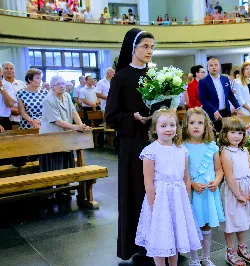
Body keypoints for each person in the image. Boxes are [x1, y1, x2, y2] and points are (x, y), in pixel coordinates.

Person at [105, 28, 154, 262]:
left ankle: (158, 241)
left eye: (152, 47)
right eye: (145, 46)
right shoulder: (121, 77)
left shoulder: (155, 76)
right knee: (136, 193)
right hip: (132, 143)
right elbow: (111, 116)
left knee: (156, 193)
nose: (149, 51)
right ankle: (136, 246)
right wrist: (133, 117)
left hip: (155, 141)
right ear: (133, 48)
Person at [135, 108, 202, 266]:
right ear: (154, 129)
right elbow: (148, 182)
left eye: (172, 125)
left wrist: (187, 200)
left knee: (175, 237)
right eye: (163, 126)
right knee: (161, 237)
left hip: (178, 199)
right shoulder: (150, 152)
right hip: (160, 201)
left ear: (177, 128)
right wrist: (153, 205)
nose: (168, 129)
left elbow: (186, 178)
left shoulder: (182, 150)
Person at [182, 108, 224, 266]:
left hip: (208, 192)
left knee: (206, 224)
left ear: (206, 126)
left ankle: (206, 257)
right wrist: (192, 184)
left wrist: (217, 181)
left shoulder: (212, 146)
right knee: (193, 224)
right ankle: (193, 259)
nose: (196, 126)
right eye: (192, 123)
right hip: (193, 192)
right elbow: (182, 173)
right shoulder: (183, 147)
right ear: (186, 125)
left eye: (200, 123)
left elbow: (219, 169)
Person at [219, 117, 250, 266]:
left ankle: (242, 248)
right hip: (233, 190)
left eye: (240, 133)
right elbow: (229, 176)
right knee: (232, 221)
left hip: (246, 187)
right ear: (225, 134)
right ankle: (230, 251)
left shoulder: (244, 151)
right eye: (233, 132)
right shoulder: (225, 151)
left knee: (242, 221)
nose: (237, 136)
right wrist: (238, 195)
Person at [39, 75, 90, 180]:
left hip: (64, 134)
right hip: (51, 135)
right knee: (54, 163)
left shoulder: (66, 95)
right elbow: (57, 121)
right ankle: (51, 190)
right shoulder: (49, 100)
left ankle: (64, 186)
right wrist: (75, 127)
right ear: (52, 87)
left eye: (63, 83)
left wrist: (81, 125)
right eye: (58, 84)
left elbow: (73, 112)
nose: (62, 86)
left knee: (66, 161)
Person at [198, 58, 244, 133]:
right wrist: (214, 111)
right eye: (211, 65)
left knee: (226, 134)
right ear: (208, 68)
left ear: (219, 67)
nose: (214, 67)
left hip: (225, 112)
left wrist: (238, 107)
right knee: (213, 135)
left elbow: (230, 95)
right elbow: (203, 99)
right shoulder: (203, 81)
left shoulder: (225, 79)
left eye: (216, 65)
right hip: (211, 113)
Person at [2, 62, 26, 128]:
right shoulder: (1, 85)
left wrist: (20, 109)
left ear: (14, 70)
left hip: (21, 119)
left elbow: (26, 100)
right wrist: (10, 110)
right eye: (6, 68)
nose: (9, 70)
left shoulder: (22, 84)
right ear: (2, 71)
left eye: (11, 68)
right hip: (5, 120)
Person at [0, 66, 16, 132]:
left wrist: (1, 88)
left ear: (1, 73)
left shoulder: (7, 85)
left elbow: (10, 104)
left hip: (4, 120)